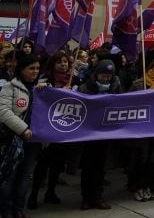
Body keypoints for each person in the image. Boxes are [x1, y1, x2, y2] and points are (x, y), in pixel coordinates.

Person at [28, 52, 77, 209]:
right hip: (46, 129)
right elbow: (35, 98)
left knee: (57, 164)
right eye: (59, 62)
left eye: (65, 62)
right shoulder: (44, 79)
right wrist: (39, 88)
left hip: (64, 129)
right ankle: (33, 194)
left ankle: (51, 192)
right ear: (52, 64)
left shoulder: (74, 80)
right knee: (42, 164)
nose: (63, 64)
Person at [0, 55, 42, 218]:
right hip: (14, 140)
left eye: (38, 69)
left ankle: (18, 209)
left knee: (25, 176)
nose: (35, 72)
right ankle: (5, 210)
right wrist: (23, 129)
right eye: (31, 68)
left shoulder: (40, 89)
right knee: (10, 175)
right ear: (21, 70)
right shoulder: (10, 88)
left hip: (33, 141)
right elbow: (3, 112)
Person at [78, 59, 122, 210]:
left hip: (105, 133)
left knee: (100, 167)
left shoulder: (115, 87)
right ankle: (86, 198)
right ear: (96, 75)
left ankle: (97, 197)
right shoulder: (84, 88)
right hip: (88, 134)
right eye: (103, 75)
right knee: (88, 167)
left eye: (109, 76)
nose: (106, 79)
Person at [127, 55, 154, 201]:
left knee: (153, 159)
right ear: (151, 66)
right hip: (142, 128)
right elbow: (128, 103)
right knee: (141, 158)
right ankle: (136, 186)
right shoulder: (139, 84)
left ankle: (147, 186)